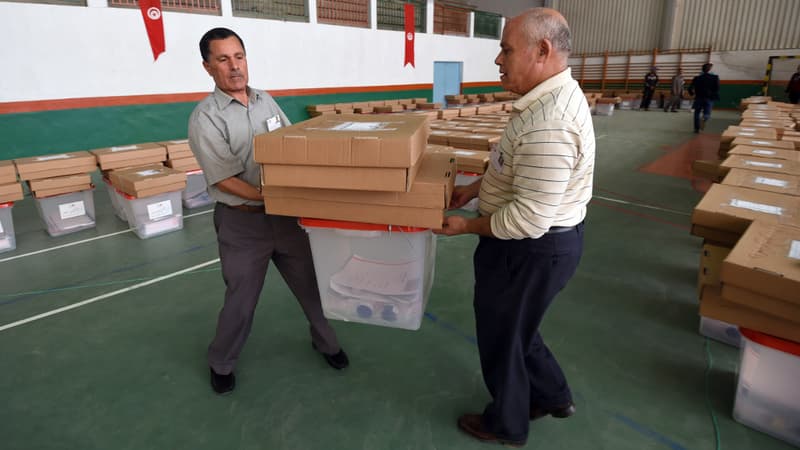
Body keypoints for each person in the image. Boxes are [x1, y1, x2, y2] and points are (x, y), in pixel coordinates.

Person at [434, 8, 594, 448]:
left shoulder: (551, 121)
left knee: (503, 337)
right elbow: (513, 165)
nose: (498, 60)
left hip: (529, 249)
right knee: (521, 330)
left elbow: (528, 218)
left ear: (541, 51)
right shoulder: (544, 99)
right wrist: (475, 189)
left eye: (506, 49)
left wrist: (467, 226)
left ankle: (507, 424)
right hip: (540, 246)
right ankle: (553, 396)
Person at [188, 27, 349, 395]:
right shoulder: (206, 118)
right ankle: (221, 362)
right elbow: (225, 179)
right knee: (241, 302)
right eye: (223, 59)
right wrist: (272, 196)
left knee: (313, 288)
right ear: (208, 67)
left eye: (239, 57)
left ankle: (326, 342)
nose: (234, 67)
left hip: (286, 218)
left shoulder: (265, 101)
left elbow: (291, 143)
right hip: (242, 225)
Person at [687, 63, 720, 133]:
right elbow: (717, 88)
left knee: (697, 113)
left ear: (702, 69)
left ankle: (696, 129)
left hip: (698, 97)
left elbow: (690, 88)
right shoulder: (715, 77)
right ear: (710, 69)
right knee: (707, 113)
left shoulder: (697, 78)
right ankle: (704, 118)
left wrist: (692, 94)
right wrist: (713, 95)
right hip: (709, 98)